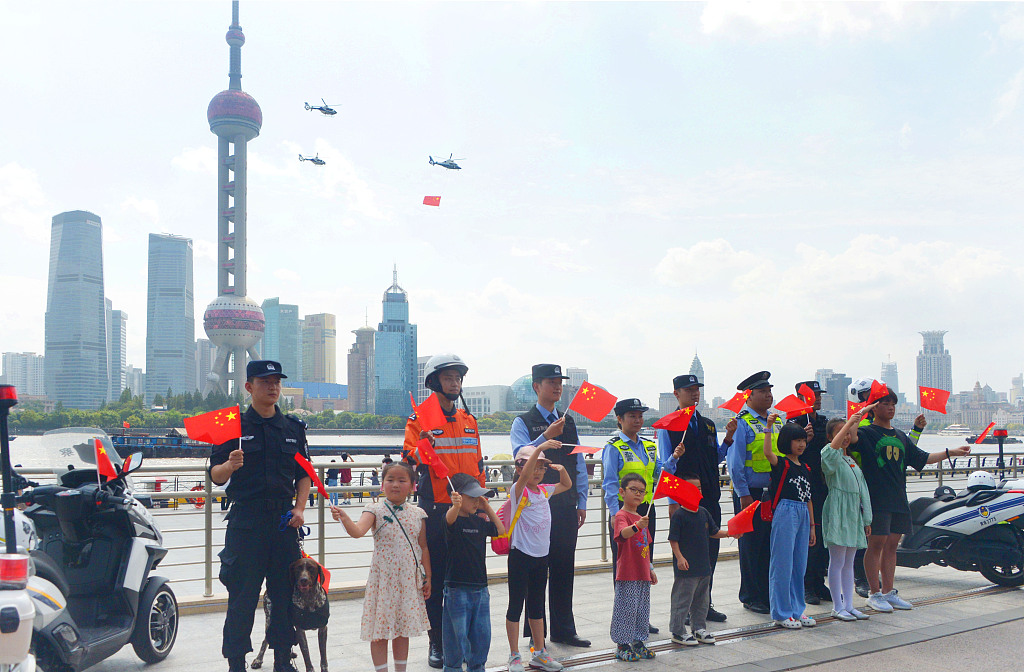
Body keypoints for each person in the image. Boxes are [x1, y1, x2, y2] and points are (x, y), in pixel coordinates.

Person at [209, 360, 311, 672]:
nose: (273, 386)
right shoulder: (232, 428)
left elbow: (304, 475)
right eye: (265, 381)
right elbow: (215, 475)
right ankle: (236, 663)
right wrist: (229, 465)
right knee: (242, 598)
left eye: (277, 381)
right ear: (249, 386)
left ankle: (283, 660)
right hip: (246, 525)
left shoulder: (293, 429)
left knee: (284, 597)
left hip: (283, 524)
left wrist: (300, 508)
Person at [847, 387, 971, 612]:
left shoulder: (900, 436)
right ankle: (874, 593)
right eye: (885, 403)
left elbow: (922, 458)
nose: (891, 407)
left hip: (898, 497)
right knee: (876, 544)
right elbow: (851, 437)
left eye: (893, 403)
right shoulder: (867, 433)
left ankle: (889, 592)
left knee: (892, 545)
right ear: (874, 408)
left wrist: (951, 452)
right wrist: (862, 412)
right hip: (877, 498)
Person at [403, 354, 484, 668]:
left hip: (468, 510)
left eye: (458, 379)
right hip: (437, 510)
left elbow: (478, 467)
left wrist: (481, 507)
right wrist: (421, 447)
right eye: (449, 378)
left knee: (465, 580)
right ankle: (436, 642)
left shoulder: (469, 421)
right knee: (434, 581)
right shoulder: (419, 420)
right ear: (435, 383)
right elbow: (409, 457)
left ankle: (461, 641)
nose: (455, 383)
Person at [508, 363, 591, 647]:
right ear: (536, 387)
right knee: (535, 569)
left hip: (564, 500)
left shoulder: (569, 422)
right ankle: (535, 636)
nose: (557, 387)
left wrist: (582, 499)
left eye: (559, 382)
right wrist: (545, 437)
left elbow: (578, 461)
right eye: (550, 382)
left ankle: (565, 629)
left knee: (564, 566)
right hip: (534, 506)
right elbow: (520, 457)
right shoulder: (523, 421)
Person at [331, 462, 430, 672]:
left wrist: (427, 577)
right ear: (382, 484)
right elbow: (357, 531)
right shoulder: (374, 509)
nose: (395, 484)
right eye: (390, 480)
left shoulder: (418, 513)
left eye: (402, 480)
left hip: (407, 580)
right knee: (380, 629)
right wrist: (345, 518)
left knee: (403, 629)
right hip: (383, 580)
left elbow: (422, 547)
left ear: (413, 485)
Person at [655, 373, 735, 623]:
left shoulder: (709, 424)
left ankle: (705, 605)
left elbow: (716, 457)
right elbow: (667, 467)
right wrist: (672, 503)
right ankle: (686, 608)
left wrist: (729, 438)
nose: (695, 393)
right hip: (686, 500)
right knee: (689, 556)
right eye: (689, 390)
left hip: (709, 497)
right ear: (676, 393)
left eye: (697, 389)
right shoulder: (669, 426)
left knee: (710, 552)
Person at [601, 398, 679, 634]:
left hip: (645, 512)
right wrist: (616, 516)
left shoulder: (649, 446)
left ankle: (640, 617)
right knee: (625, 568)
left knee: (645, 563)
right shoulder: (614, 447)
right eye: (632, 416)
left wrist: (673, 458)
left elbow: (660, 473)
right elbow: (610, 483)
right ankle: (624, 619)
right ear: (620, 419)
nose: (637, 420)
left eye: (640, 416)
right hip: (624, 515)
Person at [505, 444, 572, 672]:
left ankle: (539, 653)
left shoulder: (543, 490)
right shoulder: (518, 489)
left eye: (542, 468)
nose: (537, 472)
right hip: (520, 555)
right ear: (521, 469)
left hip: (541, 557)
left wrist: (561, 469)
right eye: (534, 467)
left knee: (536, 606)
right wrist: (541, 447)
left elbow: (566, 485)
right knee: (515, 605)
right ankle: (514, 656)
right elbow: (524, 476)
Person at [725, 371, 782, 614]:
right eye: (763, 392)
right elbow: (735, 463)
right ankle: (750, 595)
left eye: (770, 391)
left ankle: (767, 593)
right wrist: (743, 493)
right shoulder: (743, 423)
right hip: (752, 493)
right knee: (751, 545)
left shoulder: (776, 421)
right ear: (749, 395)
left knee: (770, 544)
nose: (769, 395)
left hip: (775, 492)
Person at [443, 473, 505, 672]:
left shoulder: (478, 521)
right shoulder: (452, 519)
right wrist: (456, 506)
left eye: (479, 497)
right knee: (455, 639)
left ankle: (477, 667)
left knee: (480, 637)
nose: (477, 501)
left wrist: (486, 507)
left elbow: (500, 529)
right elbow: (449, 519)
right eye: (473, 497)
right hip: (456, 589)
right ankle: (452, 668)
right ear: (458, 497)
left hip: (480, 589)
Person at [668, 473, 735, 647]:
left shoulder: (704, 513)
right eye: (691, 488)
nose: (696, 491)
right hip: (686, 567)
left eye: (698, 487)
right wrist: (680, 558)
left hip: (704, 566)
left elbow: (714, 532)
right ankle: (677, 630)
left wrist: (730, 533)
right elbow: (673, 540)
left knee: (702, 600)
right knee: (682, 599)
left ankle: (698, 628)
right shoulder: (679, 515)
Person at [761, 420, 816, 629]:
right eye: (796, 440)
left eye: (803, 440)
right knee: (782, 564)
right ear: (786, 441)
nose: (801, 444)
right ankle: (781, 613)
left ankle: (796, 610)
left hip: (803, 513)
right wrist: (768, 427)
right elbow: (768, 453)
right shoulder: (782, 464)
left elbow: (809, 498)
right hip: (785, 511)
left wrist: (812, 526)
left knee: (799, 565)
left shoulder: (806, 467)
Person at [820, 410, 874, 622]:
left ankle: (849, 605)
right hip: (838, 510)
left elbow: (864, 492)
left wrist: (867, 519)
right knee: (837, 559)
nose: (846, 437)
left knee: (849, 561)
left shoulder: (851, 461)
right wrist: (848, 423)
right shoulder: (829, 456)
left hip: (853, 514)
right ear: (831, 437)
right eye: (841, 433)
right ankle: (837, 605)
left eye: (848, 433)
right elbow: (829, 454)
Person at [786, 380, 830, 605]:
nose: (818, 398)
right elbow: (789, 455)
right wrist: (806, 439)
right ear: (801, 397)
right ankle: (806, 586)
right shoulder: (794, 424)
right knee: (806, 538)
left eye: (819, 394)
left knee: (821, 536)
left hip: (823, 486)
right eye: (814, 395)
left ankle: (818, 582)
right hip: (802, 485)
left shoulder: (823, 422)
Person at [610, 473, 658, 662]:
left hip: (642, 572)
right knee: (626, 609)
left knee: (641, 609)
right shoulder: (622, 515)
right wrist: (637, 525)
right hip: (628, 572)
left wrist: (651, 568)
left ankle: (638, 641)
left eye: (641, 491)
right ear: (622, 492)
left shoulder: (641, 517)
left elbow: (646, 545)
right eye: (633, 490)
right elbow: (623, 533)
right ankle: (622, 644)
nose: (638, 494)